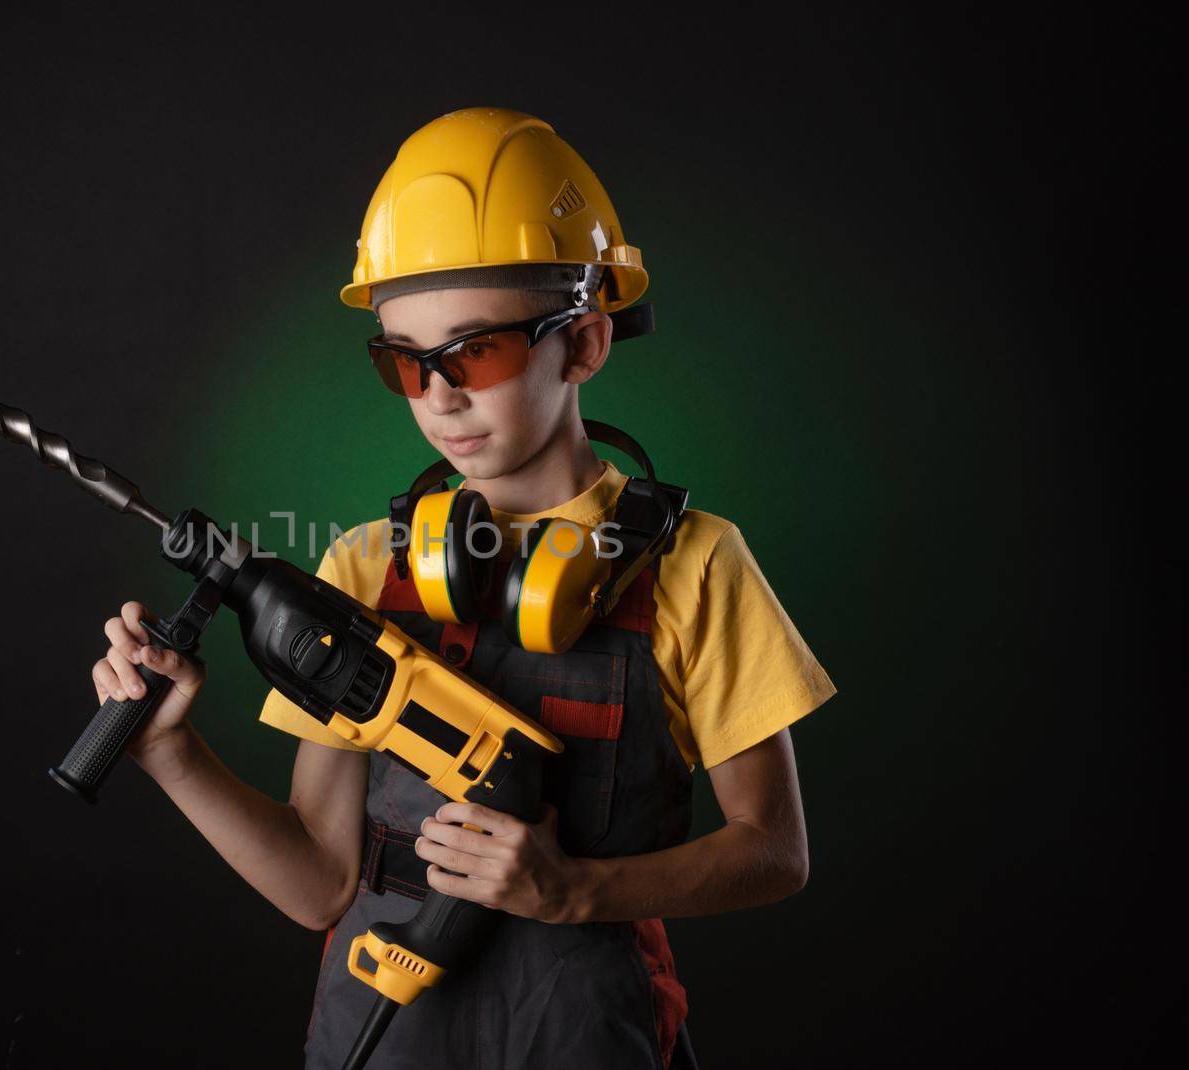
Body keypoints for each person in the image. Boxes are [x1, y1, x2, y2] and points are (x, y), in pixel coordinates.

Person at [92, 107, 837, 1069]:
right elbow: (321, 886)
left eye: (474, 352)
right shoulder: (364, 567)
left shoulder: (694, 562)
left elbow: (775, 853)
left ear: (584, 345)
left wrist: (575, 892)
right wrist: (168, 753)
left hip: (585, 1032)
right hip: (380, 1028)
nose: (439, 396)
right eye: (404, 361)